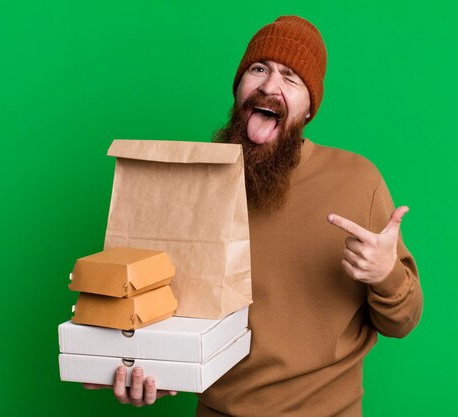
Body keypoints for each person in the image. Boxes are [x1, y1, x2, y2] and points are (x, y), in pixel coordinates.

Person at [84, 15, 423, 416]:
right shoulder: (195, 181)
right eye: (258, 69)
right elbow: (166, 309)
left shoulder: (357, 181)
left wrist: (386, 273)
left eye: (291, 77)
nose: (269, 85)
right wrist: (154, 372)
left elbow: (401, 321)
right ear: (239, 90)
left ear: (310, 108)